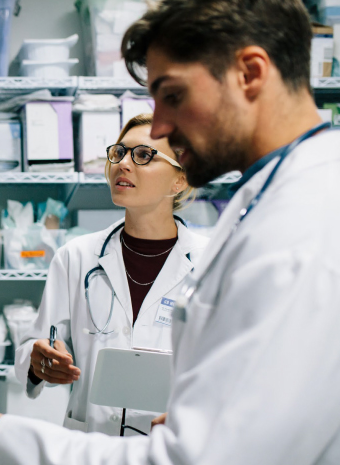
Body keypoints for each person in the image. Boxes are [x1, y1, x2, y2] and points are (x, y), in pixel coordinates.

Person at [0, 0, 340, 463]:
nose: (161, 124)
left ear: (250, 73)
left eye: (172, 95)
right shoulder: (278, 200)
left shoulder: (309, 228)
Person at [15, 112, 208, 436]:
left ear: (180, 180)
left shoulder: (209, 263)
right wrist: (39, 361)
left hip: (169, 444)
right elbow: (32, 348)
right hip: (92, 442)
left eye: (144, 155)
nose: (123, 164)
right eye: (119, 152)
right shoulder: (76, 257)